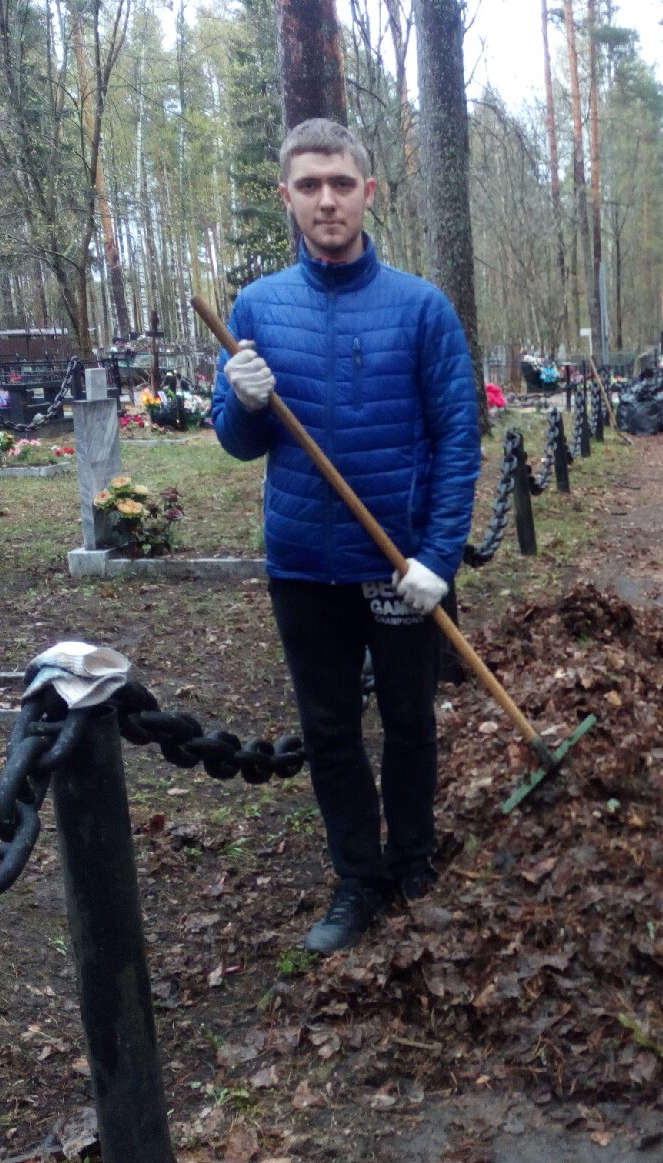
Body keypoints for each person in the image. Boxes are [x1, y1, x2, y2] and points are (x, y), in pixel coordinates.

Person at [212, 118, 481, 954]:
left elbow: (458, 439)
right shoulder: (257, 308)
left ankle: (413, 860)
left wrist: (438, 557)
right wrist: (241, 400)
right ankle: (357, 877)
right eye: (309, 185)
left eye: (340, 183)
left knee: (409, 721)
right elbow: (238, 443)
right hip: (303, 566)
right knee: (330, 732)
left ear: (369, 191)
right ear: (286, 197)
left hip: (398, 566)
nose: (326, 200)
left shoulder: (421, 308)